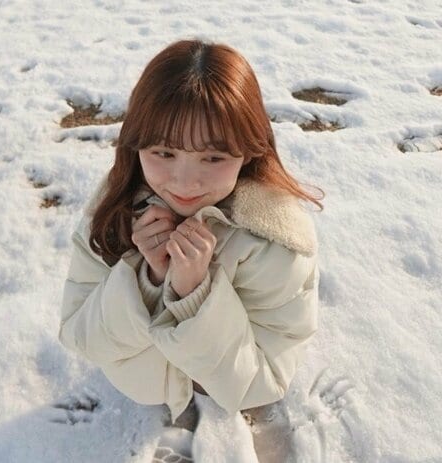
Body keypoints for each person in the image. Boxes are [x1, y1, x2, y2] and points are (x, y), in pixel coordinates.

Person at [58, 38, 324, 462]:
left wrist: (195, 295)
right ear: (135, 145)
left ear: (248, 151)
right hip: (145, 386)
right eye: (163, 152)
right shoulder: (113, 213)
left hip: (226, 386)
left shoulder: (275, 241)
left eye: (213, 157)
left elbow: (266, 379)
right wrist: (146, 280)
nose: (185, 182)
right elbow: (79, 334)